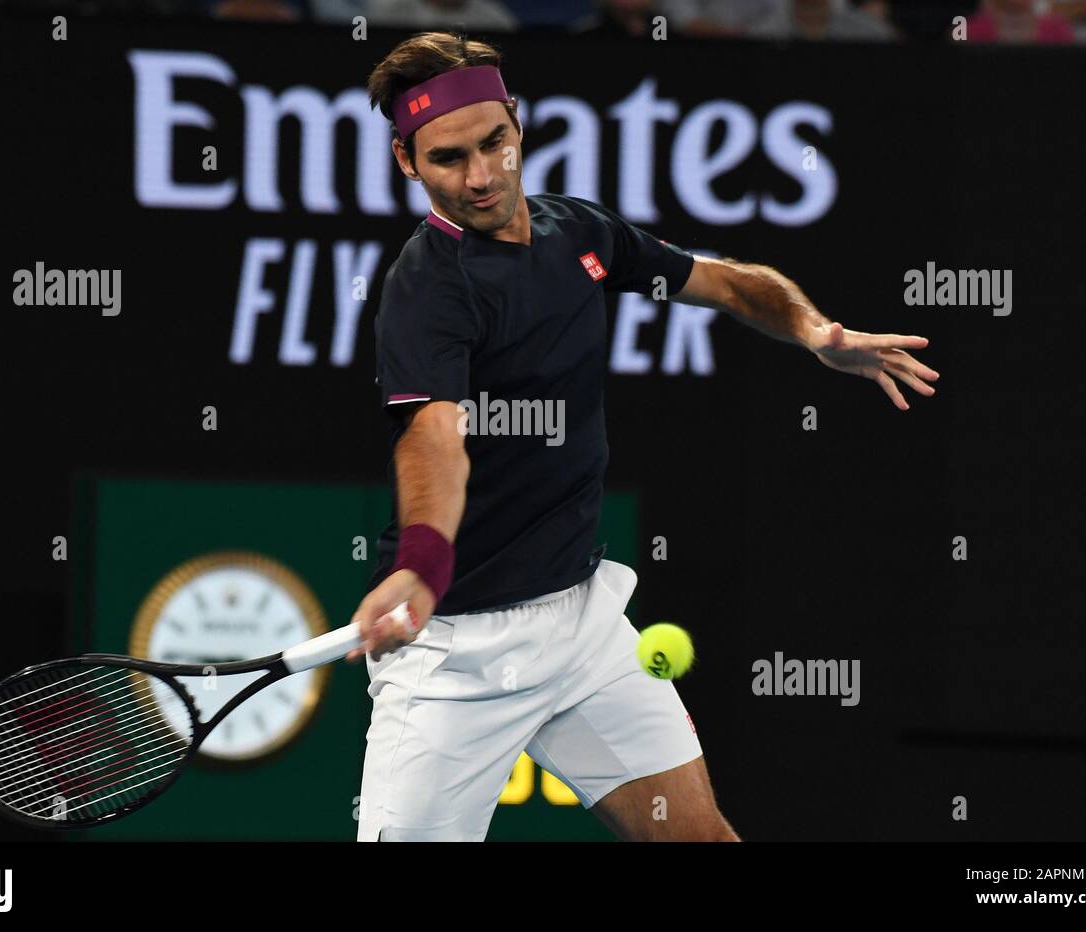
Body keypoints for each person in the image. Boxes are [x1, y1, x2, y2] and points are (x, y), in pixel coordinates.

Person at [350, 30, 938, 842]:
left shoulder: (578, 233)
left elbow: (727, 281)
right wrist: (422, 564)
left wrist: (815, 331)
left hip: (583, 626)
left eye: (495, 143)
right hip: (459, 657)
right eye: (450, 159)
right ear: (407, 163)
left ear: (518, 124)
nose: (482, 177)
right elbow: (433, 438)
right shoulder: (426, 292)